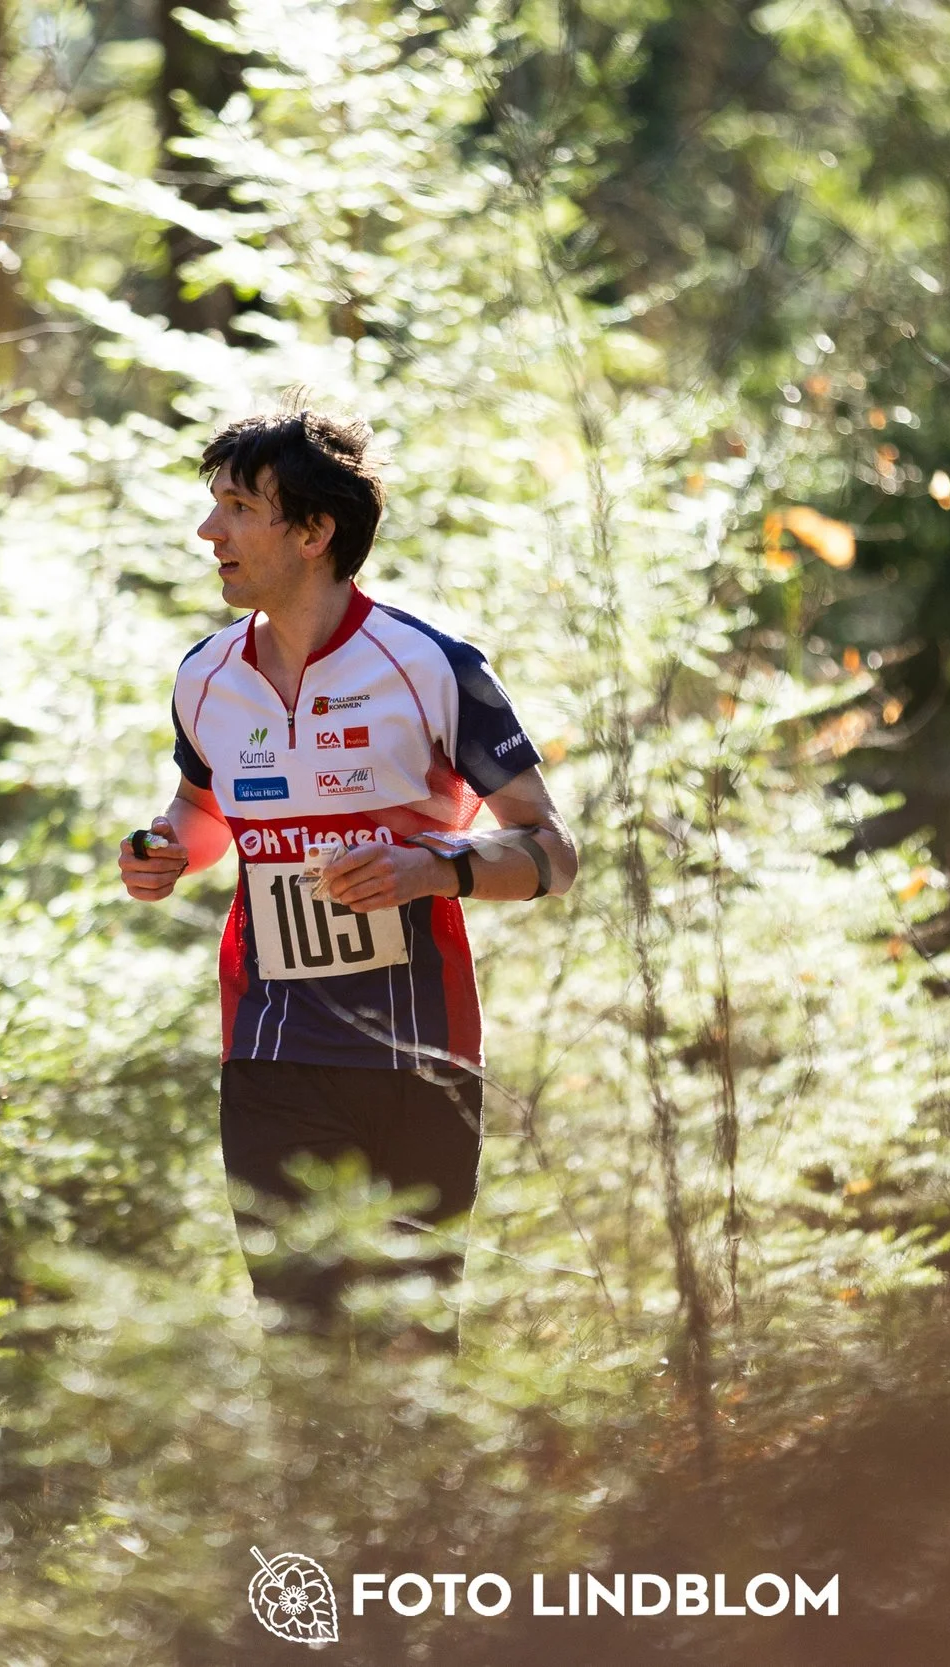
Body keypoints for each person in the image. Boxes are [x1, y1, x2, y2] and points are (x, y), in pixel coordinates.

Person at [118, 409, 578, 1335]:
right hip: (270, 1045)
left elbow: (550, 852)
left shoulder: (434, 668)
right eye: (213, 507)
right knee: (303, 1348)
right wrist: (164, 851)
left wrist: (430, 867)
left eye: (239, 507)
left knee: (410, 1343)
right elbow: (204, 814)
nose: (211, 533)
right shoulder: (207, 675)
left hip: (418, 1052)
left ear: (315, 531)